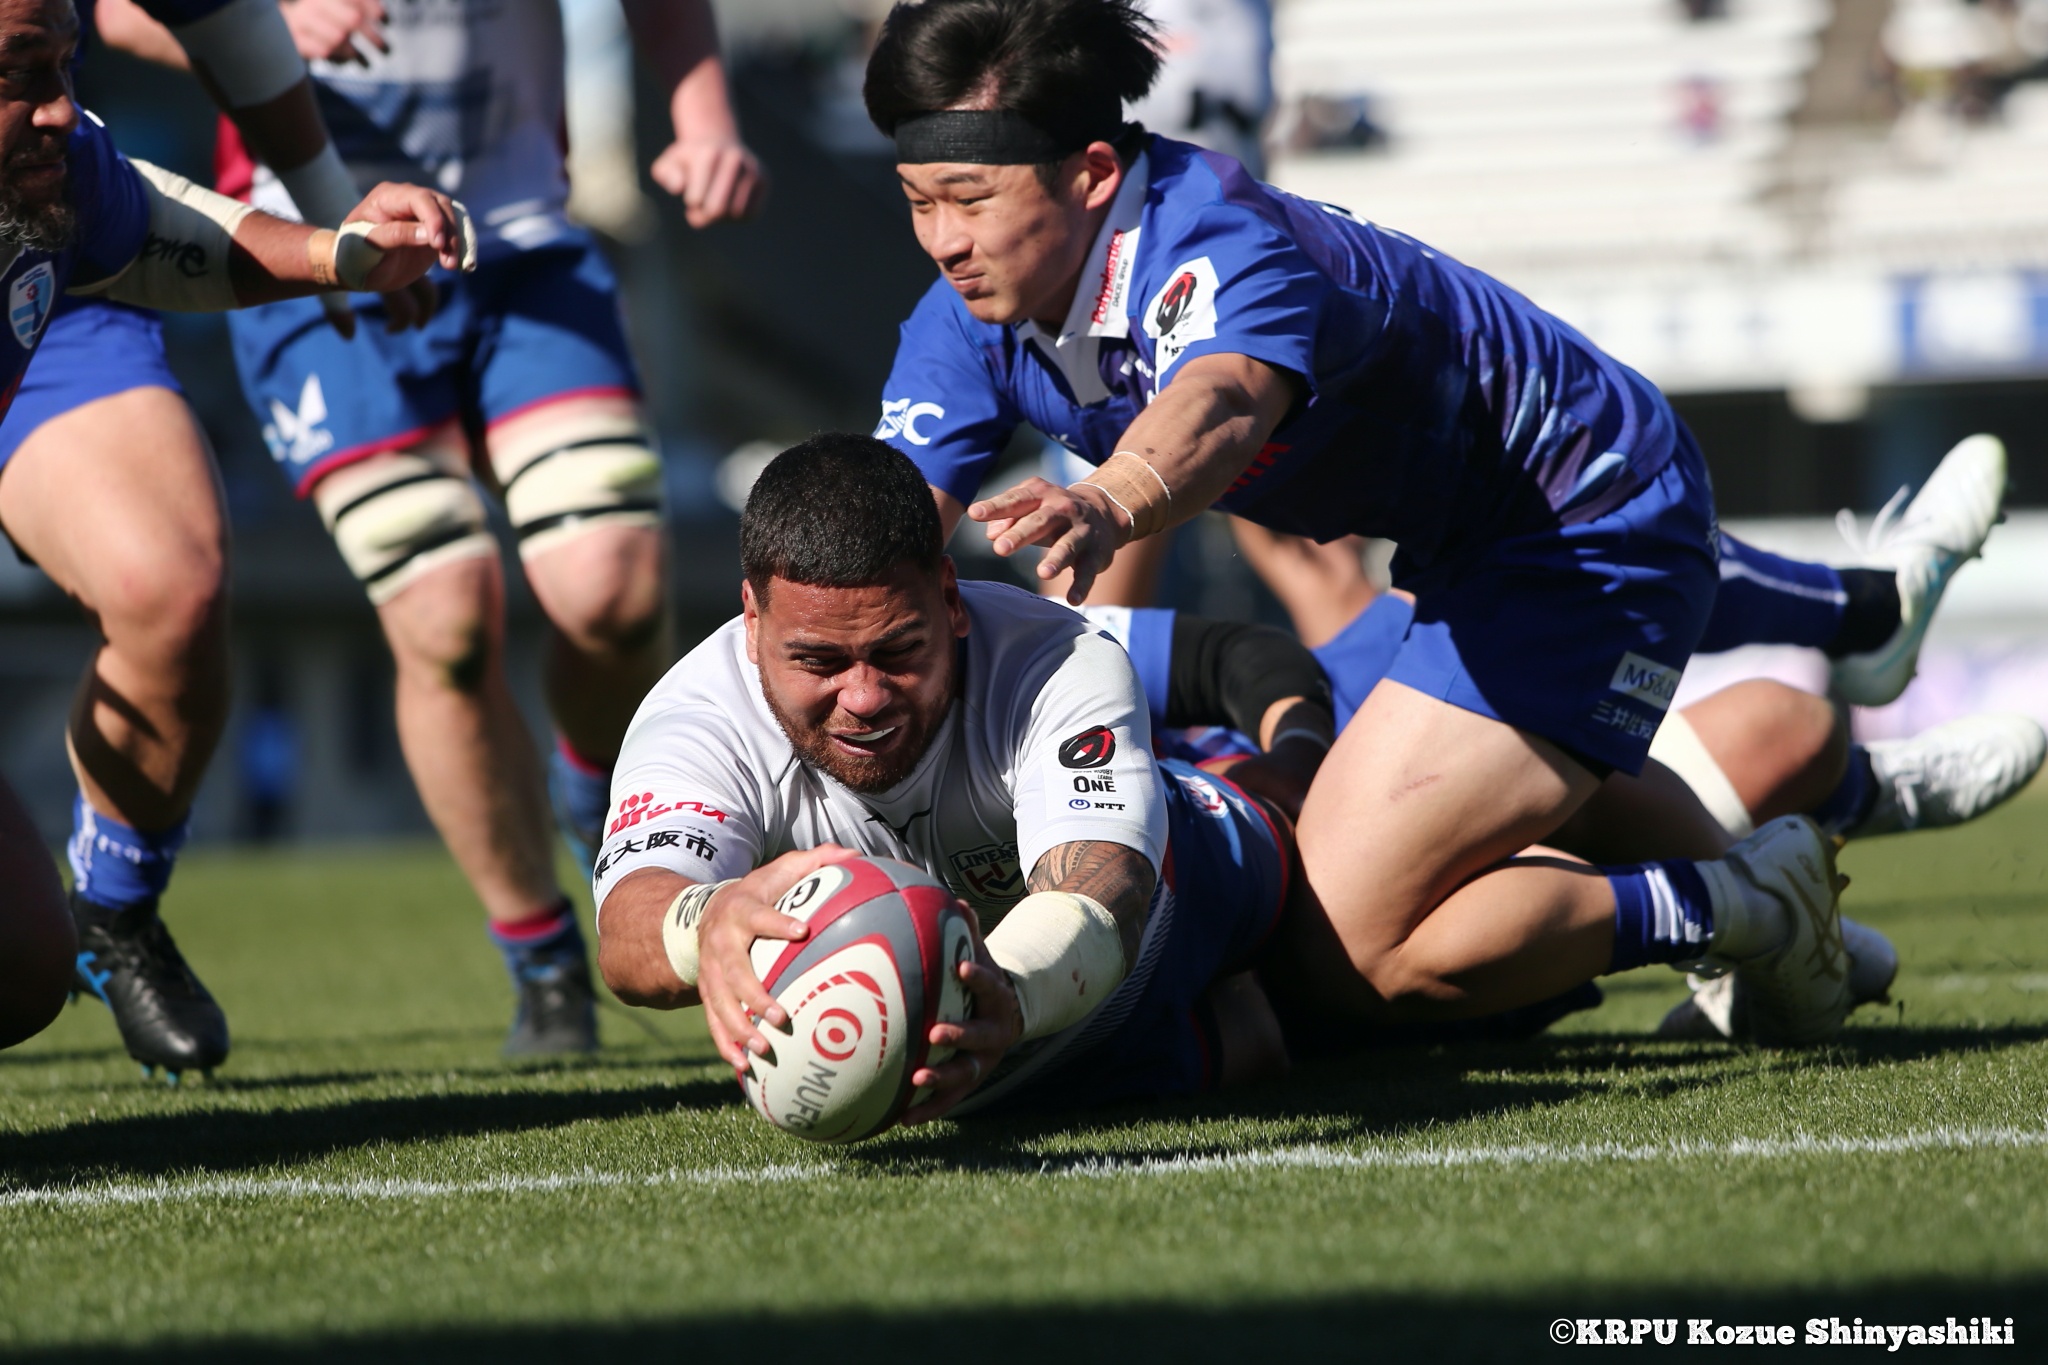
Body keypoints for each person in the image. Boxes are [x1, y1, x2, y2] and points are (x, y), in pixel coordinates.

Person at [858, 0, 2004, 1047]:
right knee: (1465, 786)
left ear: (1092, 174)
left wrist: (1109, 497)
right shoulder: (969, 317)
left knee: (1346, 952)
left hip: (1582, 517)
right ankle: (1786, 885)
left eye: (968, 200)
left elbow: (1220, 399)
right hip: (1457, 550)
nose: (942, 239)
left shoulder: (1211, 236)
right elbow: (873, 536)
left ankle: (1749, 898)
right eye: (916, 204)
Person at [102, 0, 769, 1057]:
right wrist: (269, 20)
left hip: (523, 245)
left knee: (612, 589)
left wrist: (704, 120)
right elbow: (112, 12)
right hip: (314, 256)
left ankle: (601, 800)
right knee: (446, 619)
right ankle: (541, 955)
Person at [0, 0, 471, 1063]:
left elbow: (141, 211)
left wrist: (339, 244)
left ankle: (115, 907)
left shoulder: (61, 164)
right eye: (23, 71)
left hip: (49, 266)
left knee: (20, 961)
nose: (65, 107)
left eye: (66, 65)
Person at [593, 436, 1297, 1115]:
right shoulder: (696, 715)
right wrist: (705, 921)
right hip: (1033, 1048)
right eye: (819, 661)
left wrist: (1000, 996)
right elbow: (627, 929)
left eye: (898, 649)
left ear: (951, 598)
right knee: (1255, 1046)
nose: (863, 697)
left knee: (1341, 977)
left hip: (1196, 873)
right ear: (752, 620)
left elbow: (1107, 888)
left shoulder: (1057, 656)